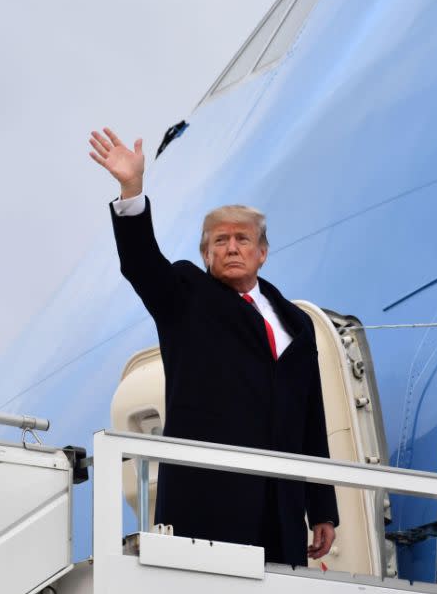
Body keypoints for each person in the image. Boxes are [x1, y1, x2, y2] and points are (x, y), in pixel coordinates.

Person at [88, 127, 338, 566]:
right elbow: (142, 264)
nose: (232, 248)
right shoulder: (188, 295)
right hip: (207, 502)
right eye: (220, 241)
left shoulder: (296, 322)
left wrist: (321, 508)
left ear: (262, 252)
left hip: (279, 505)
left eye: (243, 239)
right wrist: (131, 190)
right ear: (206, 255)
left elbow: (311, 418)